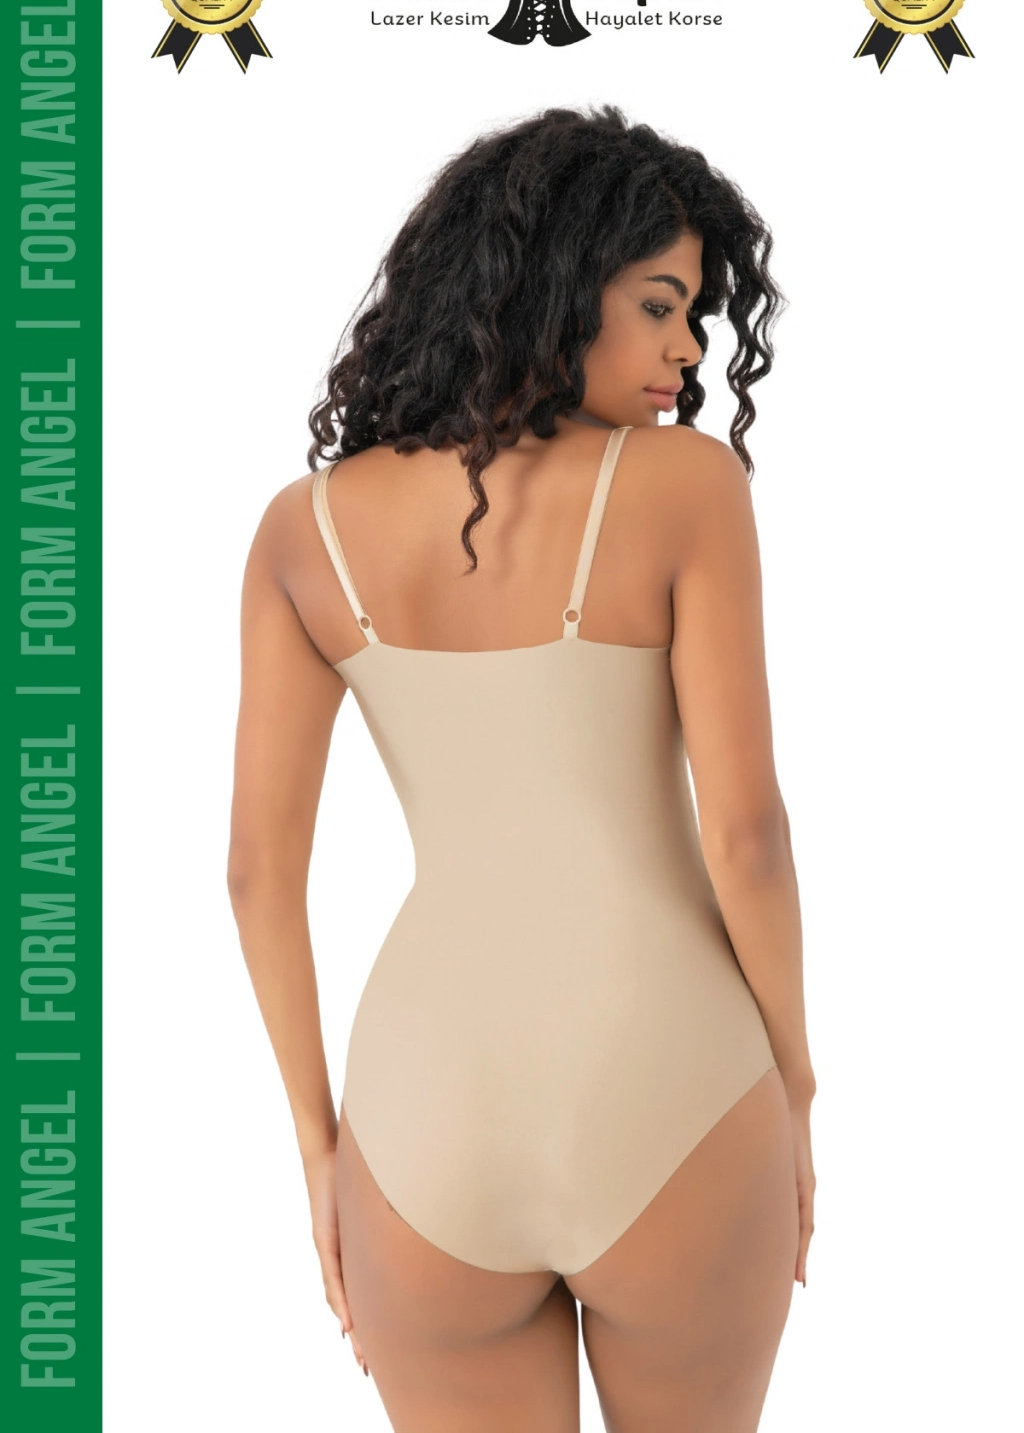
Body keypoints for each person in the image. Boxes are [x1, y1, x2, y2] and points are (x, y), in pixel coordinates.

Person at [228, 104, 816, 1432]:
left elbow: (258, 872)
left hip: (421, 1116)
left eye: (696, 315)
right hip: (676, 1089)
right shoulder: (684, 486)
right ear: (558, 283)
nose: (688, 350)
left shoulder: (302, 533)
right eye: (659, 305)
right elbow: (749, 838)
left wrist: (322, 1150)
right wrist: (796, 1084)